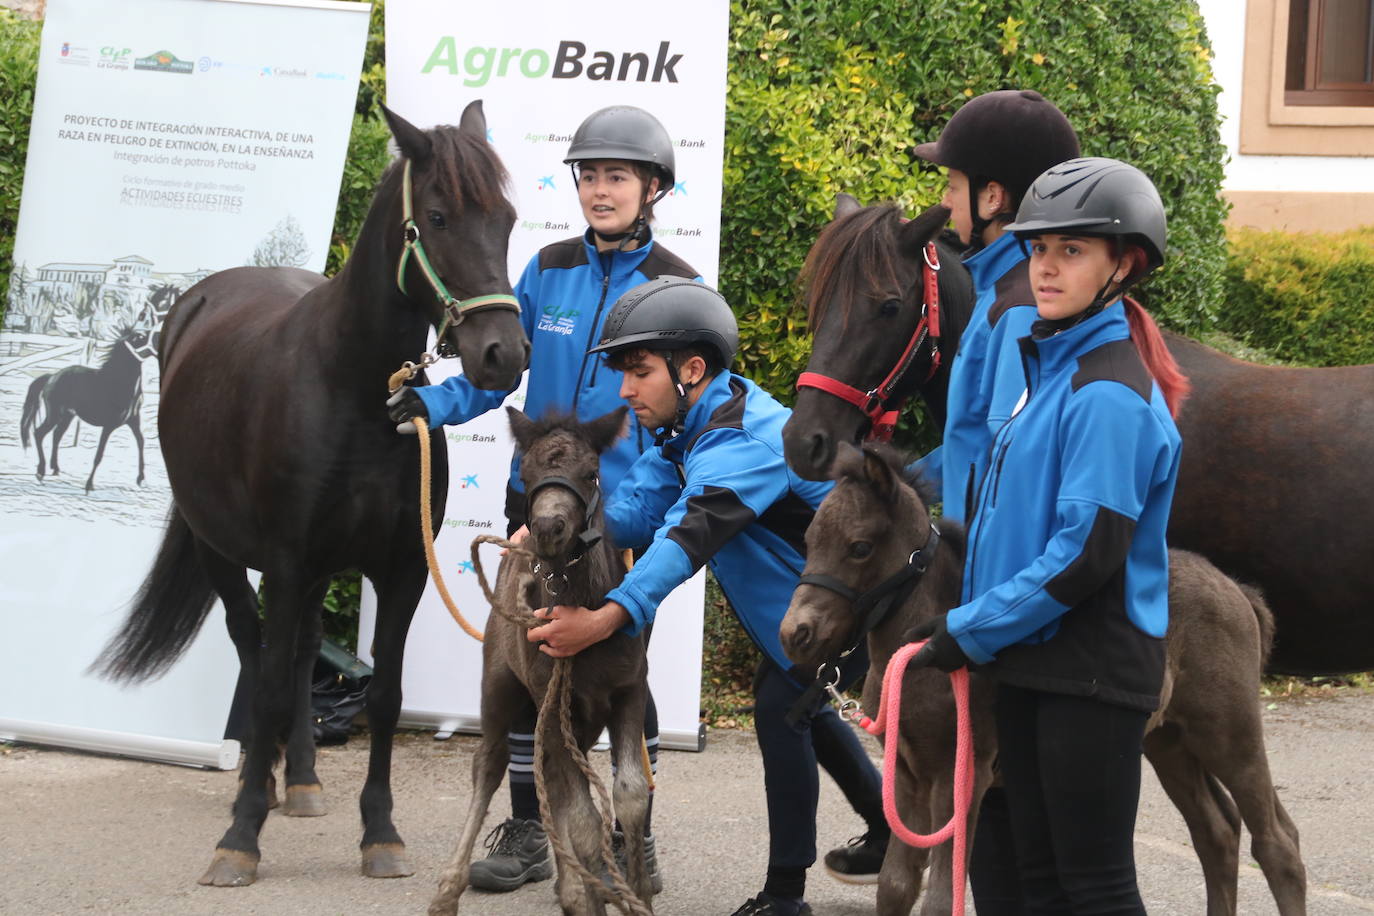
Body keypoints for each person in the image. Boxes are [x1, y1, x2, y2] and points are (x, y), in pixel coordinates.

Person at [386, 104, 698, 893]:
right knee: (526, 670)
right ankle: (531, 831)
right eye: (589, 176)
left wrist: (645, 513)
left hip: (623, 516)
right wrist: (432, 407)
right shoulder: (547, 268)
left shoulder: (678, 286)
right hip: (535, 511)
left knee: (625, 676)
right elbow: (499, 374)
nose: (600, 190)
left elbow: (682, 410)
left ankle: (638, 837)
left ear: (652, 187)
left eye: (617, 177)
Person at [528, 276, 888, 916]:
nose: (625, 391)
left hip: (872, 606)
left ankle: (785, 898)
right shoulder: (690, 430)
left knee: (784, 708)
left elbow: (685, 540)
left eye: (638, 372)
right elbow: (634, 512)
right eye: (622, 374)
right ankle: (885, 830)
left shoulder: (746, 440)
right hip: (815, 617)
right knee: (801, 701)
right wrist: (559, 522)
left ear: (691, 368)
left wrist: (606, 618)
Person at [906, 157, 1188, 914]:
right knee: (1034, 879)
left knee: (1093, 888)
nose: (1047, 268)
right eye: (1039, 249)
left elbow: (1085, 554)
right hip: (1031, 659)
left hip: (1090, 669)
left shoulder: (1109, 393)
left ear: (1122, 264)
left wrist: (970, 626)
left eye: (1072, 251)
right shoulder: (1042, 364)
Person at [907, 87, 1081, 911]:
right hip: (994, 600)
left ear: (995, 197)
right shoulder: (1000, 298)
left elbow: (1016, 475)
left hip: (1003, 609)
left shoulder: (1017, 312)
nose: (942, 202)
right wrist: (893, 483)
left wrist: (977, 624)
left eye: (952, 184)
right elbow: (973, 446)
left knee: (1011, 860)